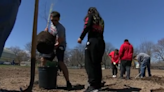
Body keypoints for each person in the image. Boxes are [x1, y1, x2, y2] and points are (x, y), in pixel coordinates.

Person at [77, 7, 105, 92]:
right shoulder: (101, 20)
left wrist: (81, 37)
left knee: (89, 64)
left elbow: (87, 26)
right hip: (101, 43)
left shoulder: (90, 15)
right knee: (97, 64)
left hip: (92, 42)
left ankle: (92, 86)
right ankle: (97, 85)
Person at [44, 11, 72, 89]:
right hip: (52, 44)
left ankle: (68, 82)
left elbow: (60, 40)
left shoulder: (61, 28)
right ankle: (44, 78)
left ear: (59, 19)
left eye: (55, 20)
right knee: (44, 59)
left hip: (60, 45)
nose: (54, 22)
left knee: (60, 62)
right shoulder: (51, 25)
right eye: (52, 20)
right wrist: (46, 32)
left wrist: (54, 47)